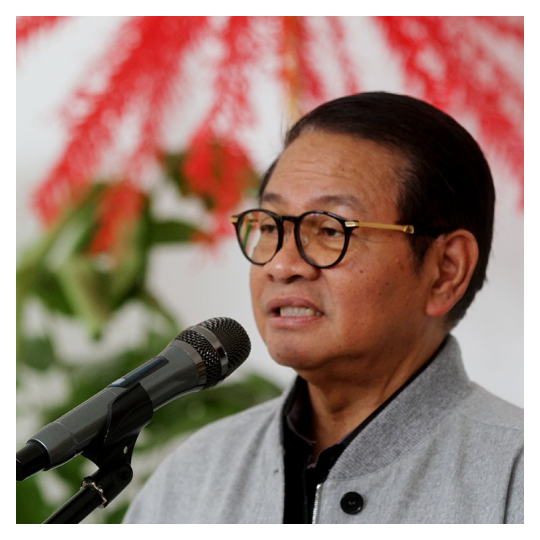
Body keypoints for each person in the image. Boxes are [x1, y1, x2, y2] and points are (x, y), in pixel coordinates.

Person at [123, 92, 523, 524]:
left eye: (331, 230)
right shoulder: (195, 474)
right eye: (270, 226)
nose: (281, 265)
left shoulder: (517, 474)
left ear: (445, 271)